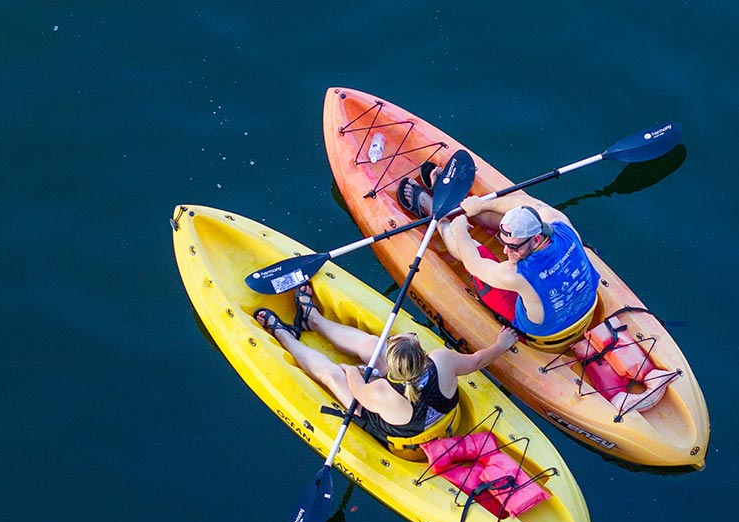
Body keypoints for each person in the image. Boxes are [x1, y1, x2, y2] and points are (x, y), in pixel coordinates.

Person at [253, 282, 519, 457]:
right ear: (422, 355)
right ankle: (313, 320)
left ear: (391, 366)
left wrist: (350, 368)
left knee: (333, 376)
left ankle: (285, 336)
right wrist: (500, 345)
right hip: (446, 420)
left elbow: (354, 384)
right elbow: (477, 361)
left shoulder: (381, 390)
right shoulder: (442, 360)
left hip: (408, 443)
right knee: (371, 344)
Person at [399, 174, 600, 347]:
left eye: (512, 248)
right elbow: (527, 204)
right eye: (503, 243)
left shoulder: (516, 275)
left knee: (470, 246)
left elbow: (473, 262)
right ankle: (468, 207)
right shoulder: (561, 224)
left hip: (545, 334)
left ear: (537, 238)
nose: (505, 251)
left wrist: (458, 228)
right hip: (586, 309)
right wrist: (483, 205)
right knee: (506, 223)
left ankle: (438, 215)